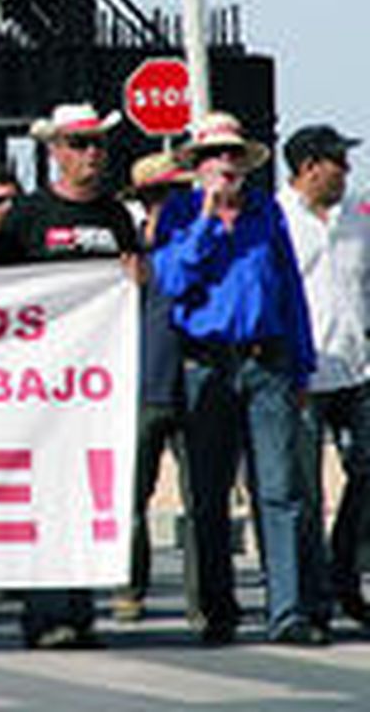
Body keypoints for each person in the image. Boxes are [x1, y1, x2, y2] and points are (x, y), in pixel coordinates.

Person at [153, 112, 327, 646]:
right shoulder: (179, 213)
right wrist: (207, 220)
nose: (224, 164)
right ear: (198, 166)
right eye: (213, 157)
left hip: (265, 360)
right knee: (208, 494)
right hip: (205, 363)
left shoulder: (266, 212)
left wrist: (301, 363)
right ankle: (216, 608)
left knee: (279, 489)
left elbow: (288, 291)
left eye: (231, 156)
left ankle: (288, 611)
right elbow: (170, 279)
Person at [0, 102, 140, 649]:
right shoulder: (28, 215)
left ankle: (80, 613)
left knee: (85, 497)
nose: (91, 154)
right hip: (39, 382)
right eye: (79, 144)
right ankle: (44, 614)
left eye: (97, 144)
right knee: (45, 497)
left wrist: (136, 277)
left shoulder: (116, 216)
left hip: (96, 384)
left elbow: (133, 280)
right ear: (55, 151)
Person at [279, 124, 370, 626]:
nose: (348, 169)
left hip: (358, 368)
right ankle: (311, 596)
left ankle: (346, 575)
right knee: (305, 491)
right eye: (338, 160)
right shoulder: (277, 217)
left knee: (366, 475)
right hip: (302, 373)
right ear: (309, 166)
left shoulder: (358, 216)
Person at [112, 152, 200, 625]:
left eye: (177, 194)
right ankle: (130, 588)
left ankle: (202, 599)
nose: (169, 203)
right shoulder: (127, 254)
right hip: (141, 384)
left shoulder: (200, 244)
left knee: (202, 497)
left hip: (195, 383)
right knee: (132, 499)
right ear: (144, 201)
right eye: (159, 195)